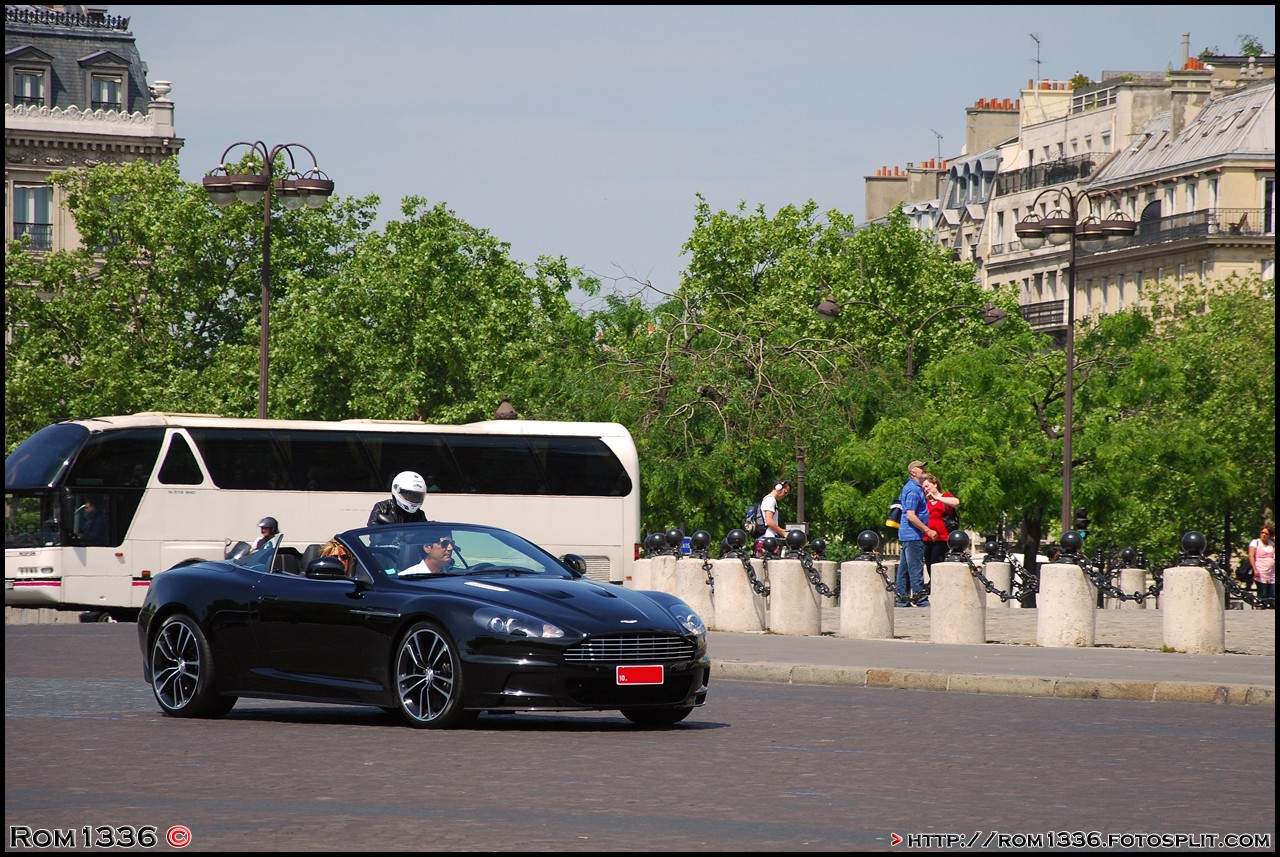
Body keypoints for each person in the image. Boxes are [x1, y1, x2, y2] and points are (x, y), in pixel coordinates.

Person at [895, 460, 932, 607]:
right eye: (921, 467)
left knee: (904, 569)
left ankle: (902, 600)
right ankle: (921, 600)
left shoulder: (916, 488)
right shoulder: (912, 490)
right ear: (913, 472)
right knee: (916, 568)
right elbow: (911, 515)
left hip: (909, 535)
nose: (924, 469)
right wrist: (927, 529)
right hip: (913, 535)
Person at [921, 473, 959, 579]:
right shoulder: (925, 502)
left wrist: (937, 497)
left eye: (927, 486)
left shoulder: (945, 497)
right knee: (929, 565)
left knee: (936, 563)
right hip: (927, 538)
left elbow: (956, 502)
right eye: (924, 488)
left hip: (942, 538)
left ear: (935, 484)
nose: (926, 490)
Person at [755, 479, 792, 556]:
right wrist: (783, 533)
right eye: (785, 492)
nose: (785, 495)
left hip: (765, 539)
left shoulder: (768, 500)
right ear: (779, 488)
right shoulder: (770, 500)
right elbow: (769, 521)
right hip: (767, 541)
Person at [1248, 524, 1275, 608]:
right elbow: (1251, 555)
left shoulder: (1271, 544)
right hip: (1260, 572)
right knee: (1262, 595)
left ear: (1270, 535)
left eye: (1266, 533)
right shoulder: (1255, 542)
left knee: (1272, 595)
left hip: (1272, 574)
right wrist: (1255, 569)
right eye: (1262, 532)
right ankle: (1259, 613)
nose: (1263, 535)